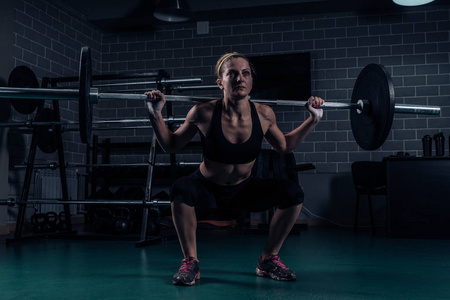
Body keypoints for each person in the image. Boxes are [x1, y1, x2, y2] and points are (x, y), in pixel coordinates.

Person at [145, 52, 324, 286]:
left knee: (293, 193)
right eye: (232, 74)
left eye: (245, 73)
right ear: (221, 82)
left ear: (250, 81)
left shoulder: (264, 113)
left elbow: (284, 146)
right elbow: (170, 145)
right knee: (181, 188)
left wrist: (313, 120)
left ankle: (268, 259)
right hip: (206, 189)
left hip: (244, 190)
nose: (240, 79)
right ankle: (191, 262)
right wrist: (155, 114)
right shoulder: (203, 112)